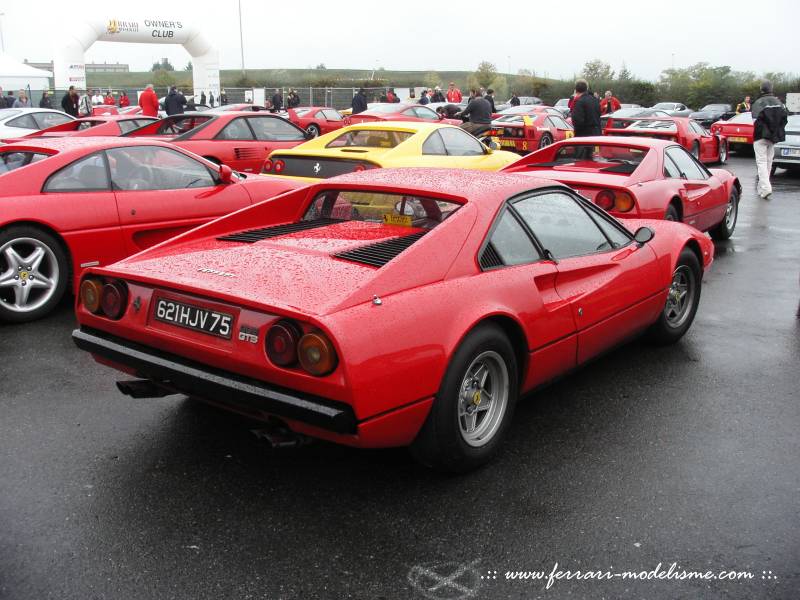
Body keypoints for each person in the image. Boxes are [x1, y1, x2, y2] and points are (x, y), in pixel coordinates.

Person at [751, 80, 788, 200]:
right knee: (768, 162)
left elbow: (755, 121)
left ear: (761, 89)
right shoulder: (779, 102)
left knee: (761, 162)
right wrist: (776, 131)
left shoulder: (759, 102)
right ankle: (762, 189)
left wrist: (763, 131)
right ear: (771, 89)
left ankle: (766, 188)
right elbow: (784, 119)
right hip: (773, 137)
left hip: (760, 136)